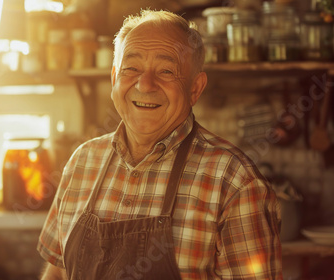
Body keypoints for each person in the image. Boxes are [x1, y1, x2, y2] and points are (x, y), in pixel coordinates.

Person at [37, 9, 282, 280]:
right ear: (114, 78)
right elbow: (57, 273)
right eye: (131, 68)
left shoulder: (235, 181)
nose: (145, 84)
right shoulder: (81, 162)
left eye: (166, 71)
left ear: (195, 89)